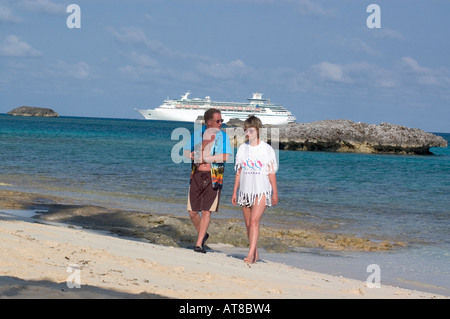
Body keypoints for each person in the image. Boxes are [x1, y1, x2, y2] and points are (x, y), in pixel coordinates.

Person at [183, 108, 232, 253]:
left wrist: (205, 158)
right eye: (218, 121)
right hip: (197, 175)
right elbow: (186, 152)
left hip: (213, 176)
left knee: (206, 211)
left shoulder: (223, 136)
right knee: (192, 211)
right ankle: (203, 234)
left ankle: (198, 244)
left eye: (221, 120)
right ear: (209, 122)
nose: (221, 123)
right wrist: (191, 155)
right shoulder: (197, 134)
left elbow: (226, 157)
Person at [231, 115, 278, 263]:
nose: (247, 134)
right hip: (245, 192)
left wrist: (275, 192)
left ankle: (250, 255)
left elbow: (271, 172)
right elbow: (239, 172)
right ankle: (255, 252)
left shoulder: (267, 149)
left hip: (261, 190)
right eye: (246, 130)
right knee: (248, 225)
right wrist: (234, 191)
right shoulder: (242, 149)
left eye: (250, 130)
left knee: (254, 222)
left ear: (258, 131)